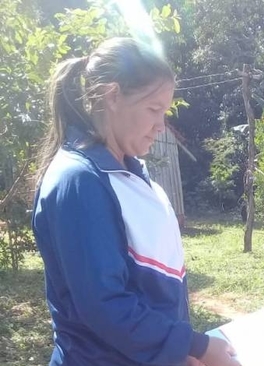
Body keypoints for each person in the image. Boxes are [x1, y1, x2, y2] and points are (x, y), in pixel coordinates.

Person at [32, 37, 240, 366]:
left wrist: (175, 351)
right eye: (153, 109)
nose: (161, 125)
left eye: (165, 111)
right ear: (113, 96)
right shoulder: (80, 181)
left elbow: (143, 286)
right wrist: (195, 345)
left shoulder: (127, 171)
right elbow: (105, 305)